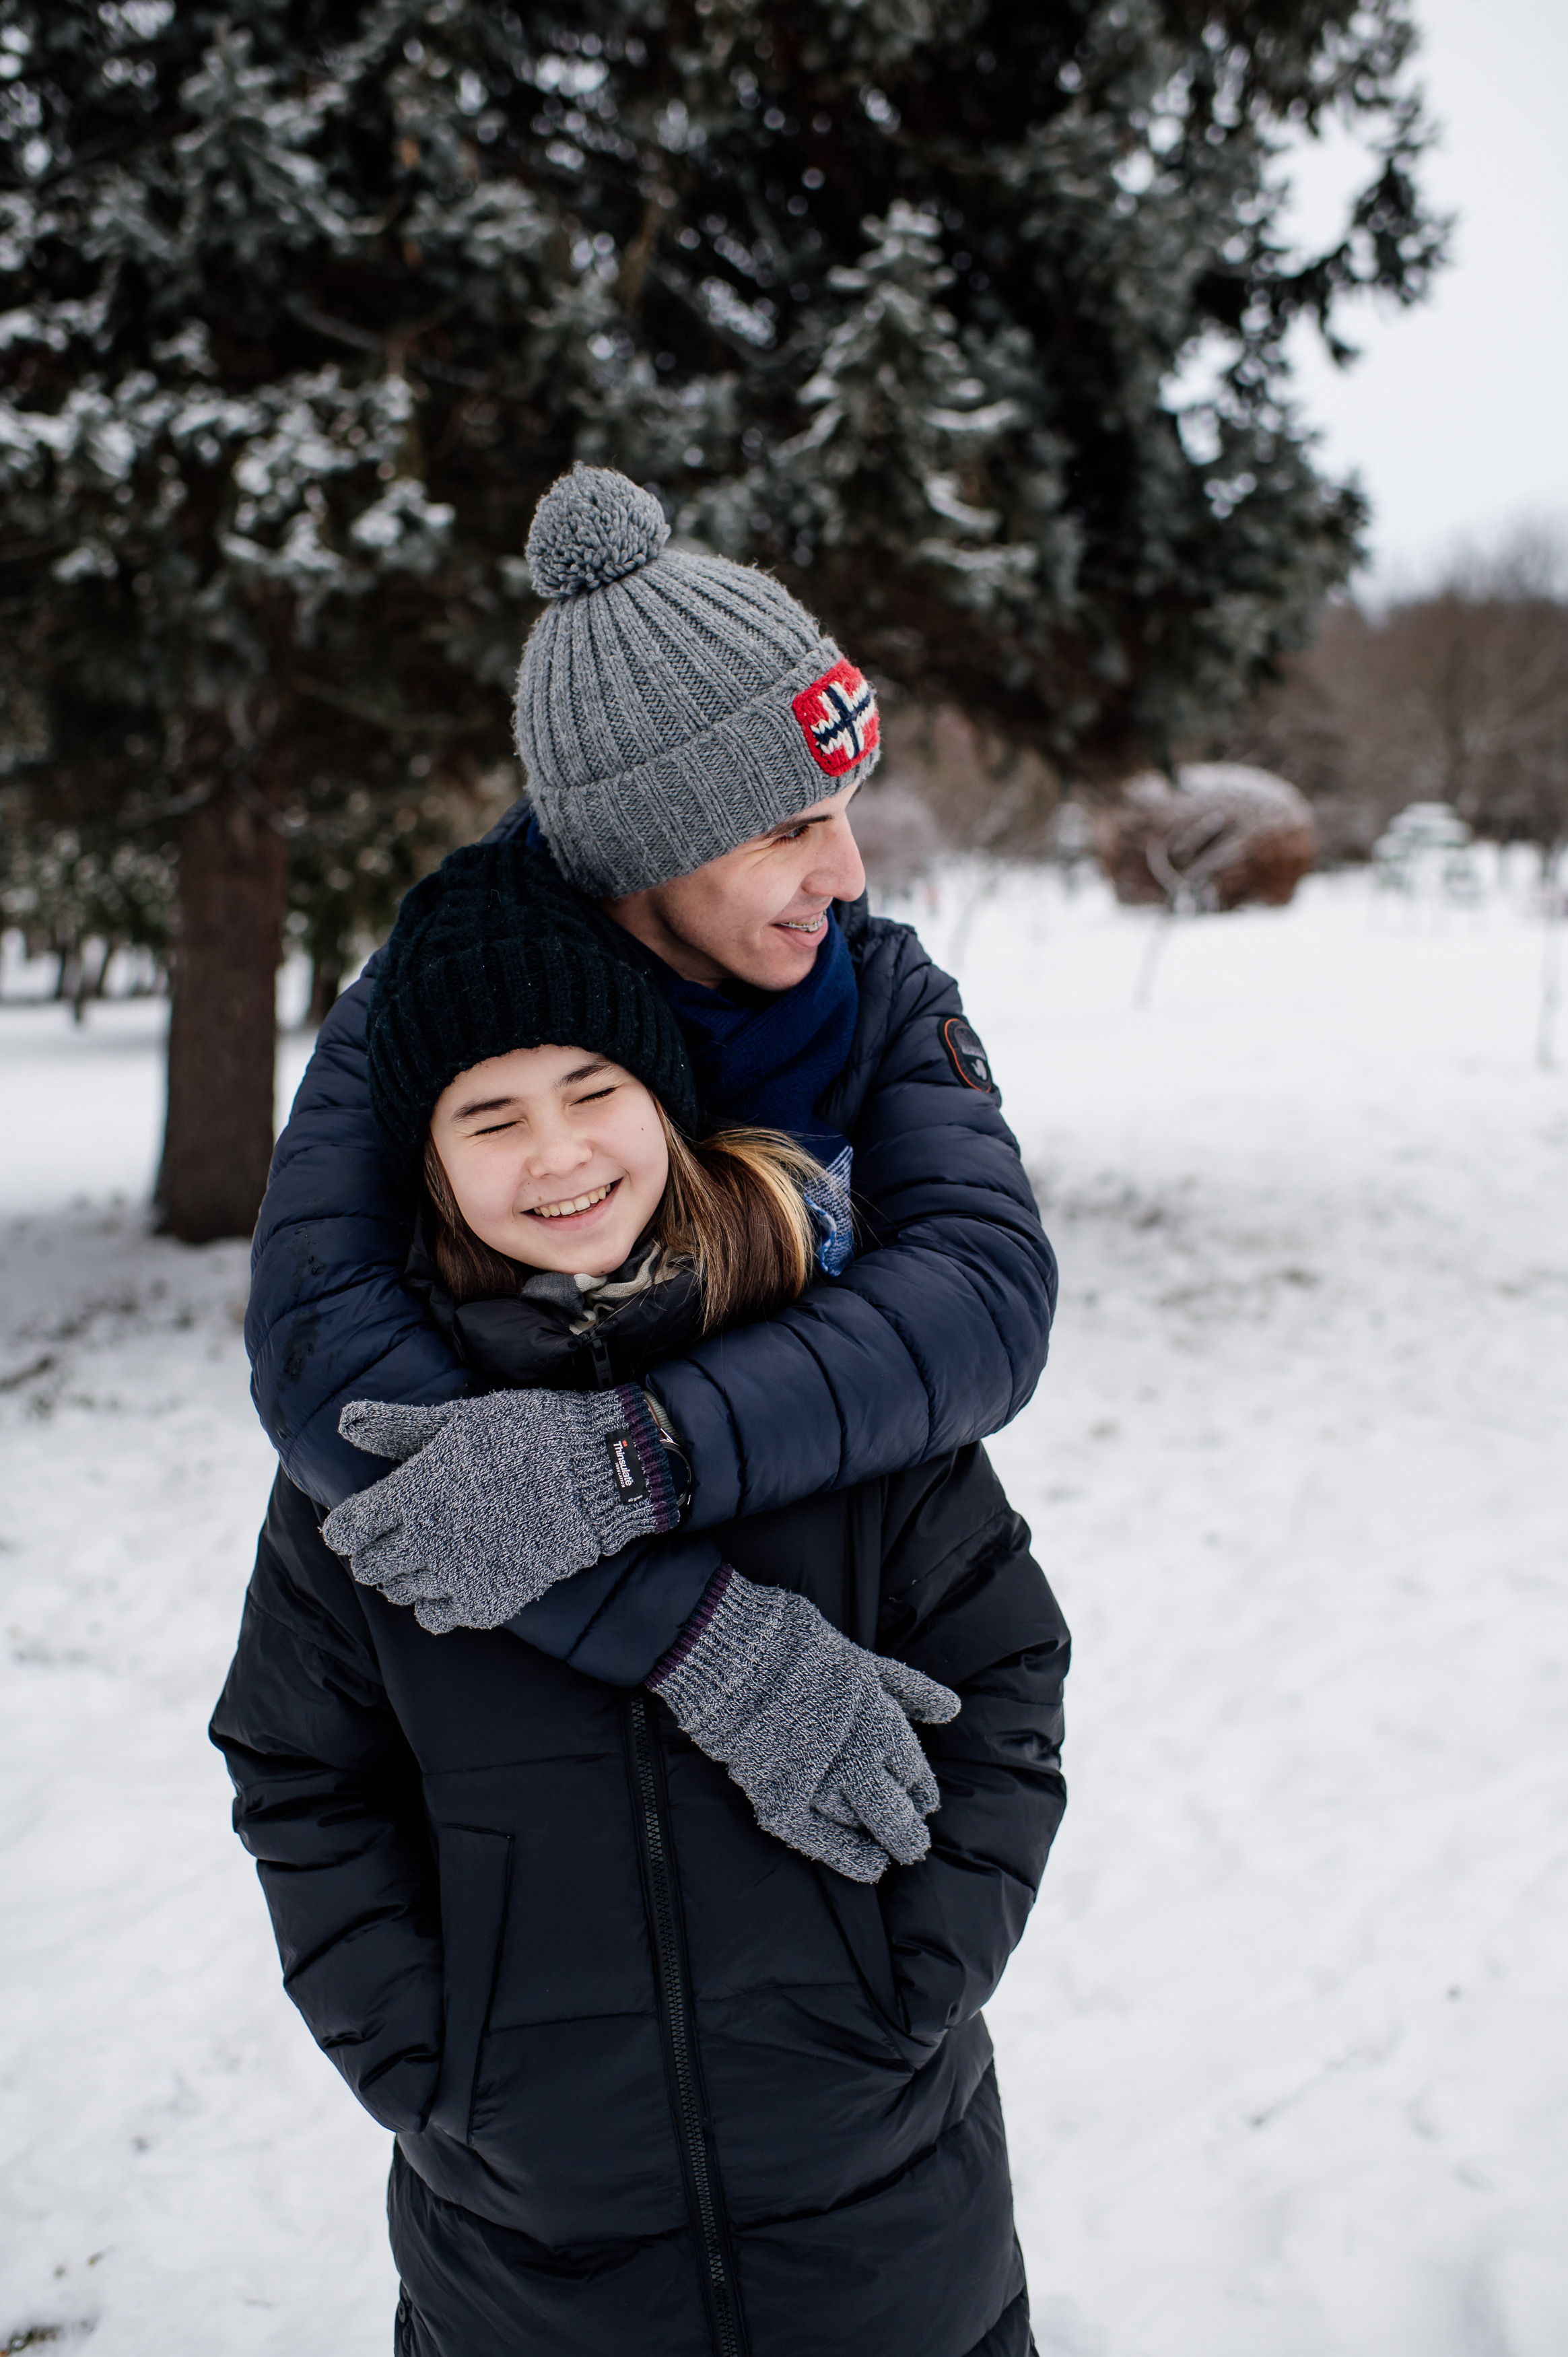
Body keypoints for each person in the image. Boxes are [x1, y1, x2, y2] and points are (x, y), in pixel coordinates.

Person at [211, 842, 1070, 2357]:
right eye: (489, 1118)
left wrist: (914, 1974)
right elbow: (301, 1765)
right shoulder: (385, 1469)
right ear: (428, 1162)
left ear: (667, 1102)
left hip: (884, 2227)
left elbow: (1005, 1674)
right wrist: (429, 2063)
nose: (556, 1157)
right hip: (528, 2254)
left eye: (592, 1090)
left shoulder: (826, 1394)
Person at [244, 468, 1058, 1656]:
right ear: (643, 852)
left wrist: (639, 1456)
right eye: (789, 829)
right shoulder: (433, 1011)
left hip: (887, 1611)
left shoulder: (883, 992)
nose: (847, 875)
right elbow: (327, 1362)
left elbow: (983, 1298)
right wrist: (697, 1642)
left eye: (845, 808)